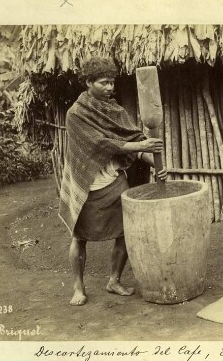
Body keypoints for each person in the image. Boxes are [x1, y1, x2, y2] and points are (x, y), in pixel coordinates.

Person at [58, 57, 167, 306]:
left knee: (126, 232)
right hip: (85, 185)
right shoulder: (75, 114)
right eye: (104, 83)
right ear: (88, 83)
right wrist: (141, 144)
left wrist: (158, 166)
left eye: (112, 82)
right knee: (79, 238)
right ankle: (78, 287)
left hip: (114, 181)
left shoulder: (115, 111)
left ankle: (114, 280)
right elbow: (100, 144)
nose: (110, 88)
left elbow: (134, 146)